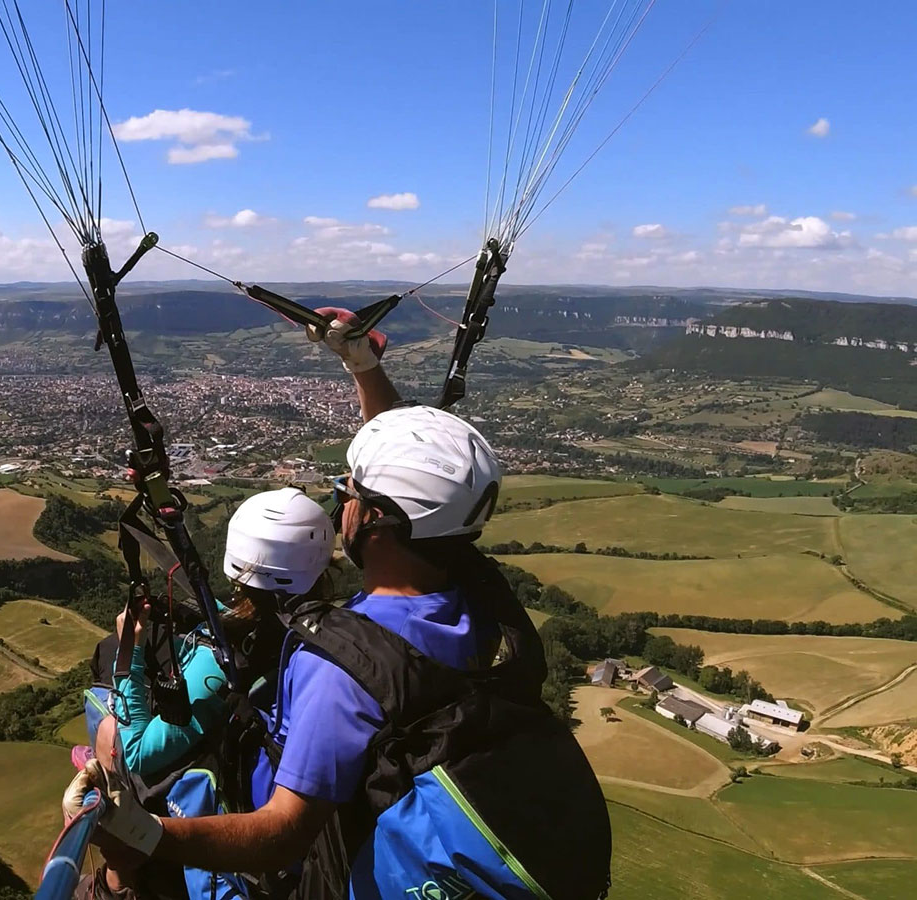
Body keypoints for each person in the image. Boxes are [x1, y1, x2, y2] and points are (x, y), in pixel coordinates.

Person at [63, 310, 611, 900]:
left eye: (345, 490)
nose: (339, 501)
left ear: (373, 519)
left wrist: (144, 838)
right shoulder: (471, 591)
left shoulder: (341, 671)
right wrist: (363, 365)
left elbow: (281, 834)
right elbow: (418, 479)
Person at [72, 487, 336, 900]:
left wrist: (132, 652)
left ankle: (114, 784)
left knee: (109, 698)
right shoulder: (318, 627)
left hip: (199, 756)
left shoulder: (227, 659)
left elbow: (139, 751)